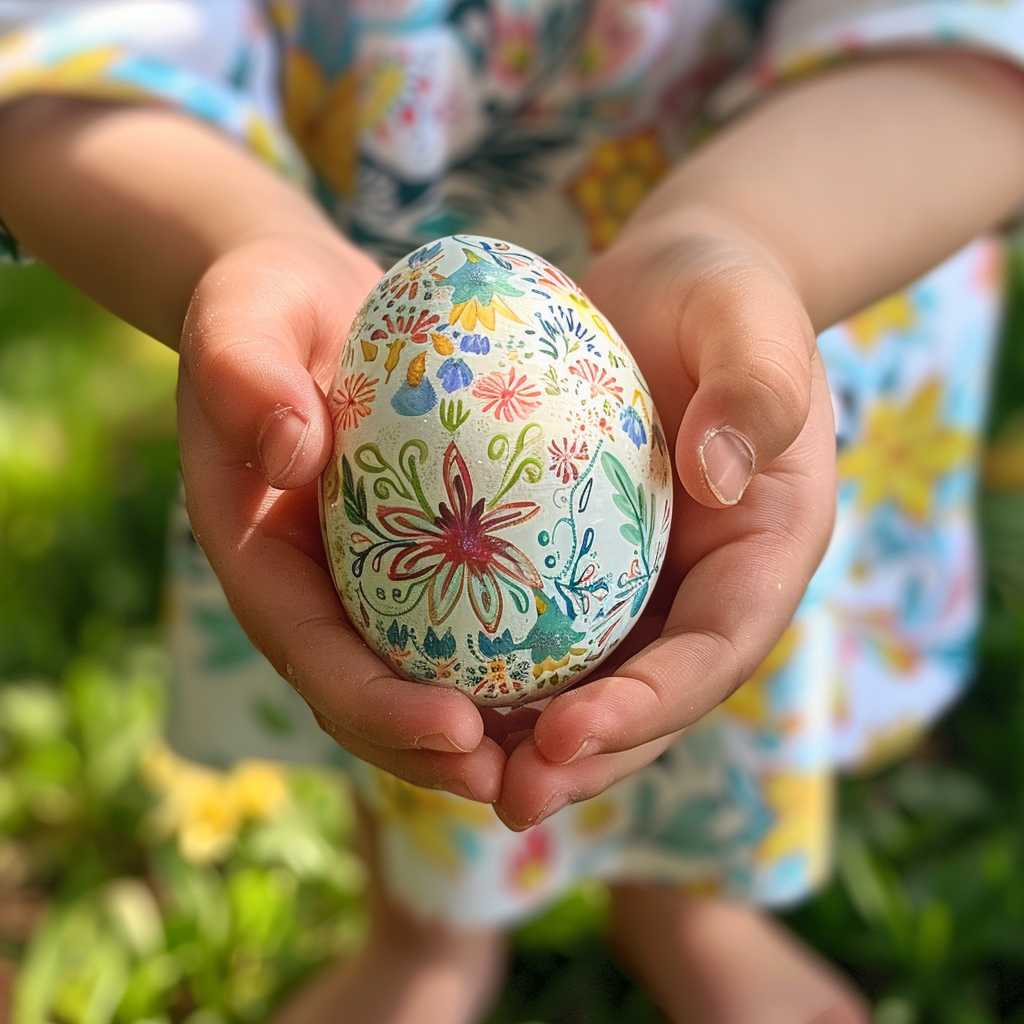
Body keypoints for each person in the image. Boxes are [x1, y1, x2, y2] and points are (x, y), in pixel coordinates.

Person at [1, 1, 1023, 1021]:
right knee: (410, 687)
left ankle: (687, 903)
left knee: (700, 594)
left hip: (813, 212)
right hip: (351, 282)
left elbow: (970, 33)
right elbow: (54, 49)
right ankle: (425, 930)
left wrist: (741, 237)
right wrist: (245, 242)